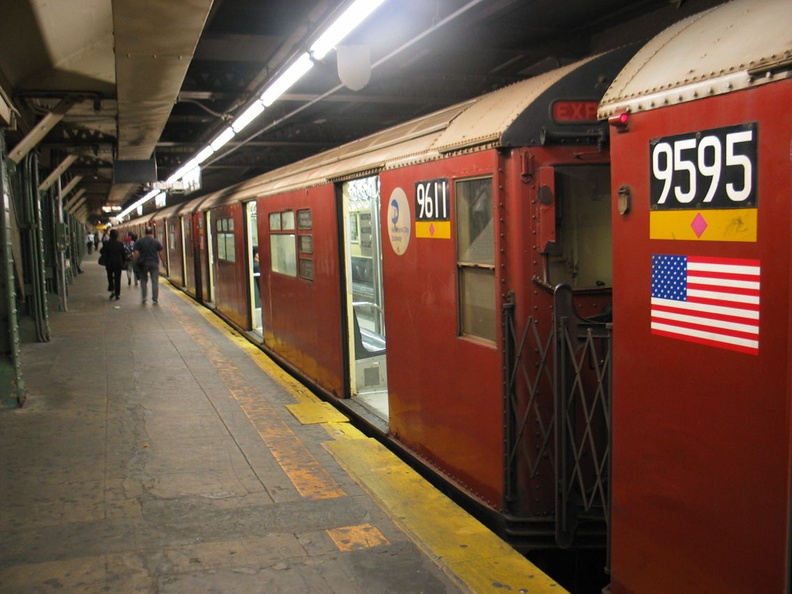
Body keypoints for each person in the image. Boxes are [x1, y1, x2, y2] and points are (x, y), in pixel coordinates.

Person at [134, 227, 163, 305]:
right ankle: (155, 299)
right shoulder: (156, 242)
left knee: (143, 280)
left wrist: (135, 262)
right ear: (152, 233)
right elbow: (160, 253)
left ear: (145, 233)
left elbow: (136, 253)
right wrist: (164, 263)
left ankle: (144, 298)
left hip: (143, 264)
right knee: (154, 282)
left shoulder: (139, 242)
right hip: (154, 263)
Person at [99, 229, 127, 300]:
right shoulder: (120, 243)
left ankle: (112, 291)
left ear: (110, 235)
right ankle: (117, 294)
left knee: (110, 277)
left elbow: (101, 251)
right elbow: (123, 254)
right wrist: (123, 262)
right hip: (118, 263)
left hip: (109, 263)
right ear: (117, 236)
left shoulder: (106, 243)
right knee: (118, 278)